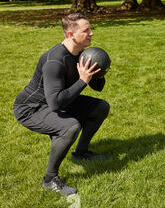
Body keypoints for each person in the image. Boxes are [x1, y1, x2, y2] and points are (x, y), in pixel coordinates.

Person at [13, 13, 110, 196]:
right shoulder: (55, 61)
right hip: (32, 108)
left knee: (101, 107)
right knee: (70, 127)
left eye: (91, 28)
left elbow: (98, 88)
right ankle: (50, 179)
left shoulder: (82, 53)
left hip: (56, 100)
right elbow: (56, 104)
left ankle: (81, 153)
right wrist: (82, 81)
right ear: (70, 34)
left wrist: (100, 71)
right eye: (86, 30)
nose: (91, 33)